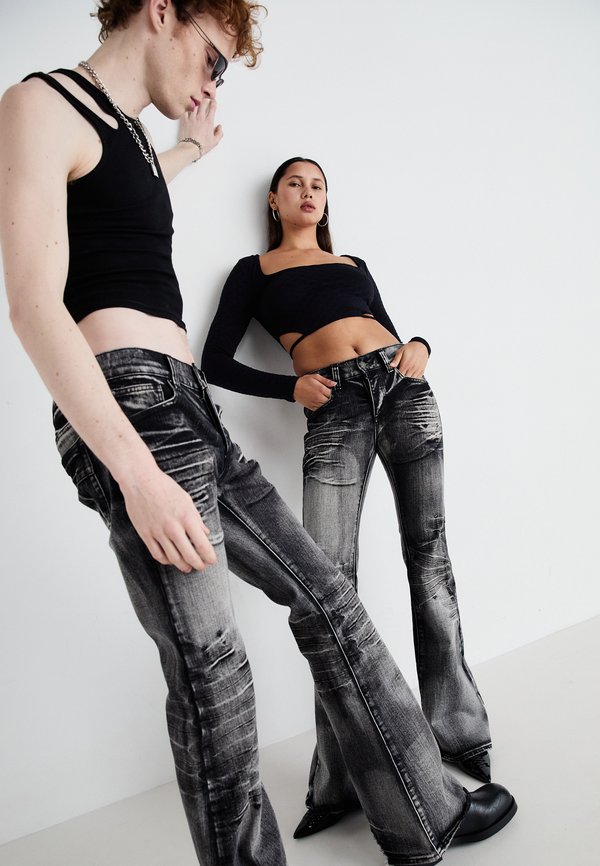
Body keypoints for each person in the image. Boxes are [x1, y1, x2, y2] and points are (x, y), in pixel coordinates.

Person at [0, 3, 517, 864]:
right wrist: (135, 473)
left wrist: (191, 150)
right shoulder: (39, 104)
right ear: (162, 11)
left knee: (331, 602)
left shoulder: (127, 139)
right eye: (214, 56)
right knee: (215, 673)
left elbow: (124, 193)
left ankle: (428, 815)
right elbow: (32, 305)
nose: (214, 79)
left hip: (189, 407)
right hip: (132, 411)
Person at [202, 156, 495, 838]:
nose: (308, 193)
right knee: (328, 590)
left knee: (431, 561)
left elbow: (388, 326)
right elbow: (213, 360)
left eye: (318, 185)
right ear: (274, 200)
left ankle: (458, 731)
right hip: (335, 410)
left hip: (404, 393)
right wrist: (289, 388)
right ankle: (339, 777)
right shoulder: (254, 271)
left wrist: (420, 344)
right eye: (295, 184)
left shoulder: (352, 265)